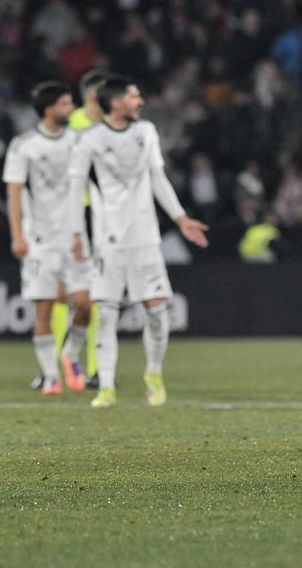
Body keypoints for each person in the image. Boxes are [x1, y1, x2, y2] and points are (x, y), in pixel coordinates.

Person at [68, 76, 210, 408]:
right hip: (108, 240)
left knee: (157, 312)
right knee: (106, 315)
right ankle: (105, 386)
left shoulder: (145, 132)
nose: (140, 101)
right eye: (134, 96)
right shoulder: (89, 139)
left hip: (145, 238)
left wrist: (180, 218)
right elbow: (76, 189)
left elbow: (157, 178)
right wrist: (76, 234)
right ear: (116, 102)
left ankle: (154, 374)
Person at [3, 82, 94, 396]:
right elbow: (14, 191)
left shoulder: (79, 141)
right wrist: (17, 236)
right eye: (66, 104)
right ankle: (51, 375)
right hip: (40, 239)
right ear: (48, 109)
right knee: (43, 309)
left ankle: (70, 354)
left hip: (74, 236)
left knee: (84, 305)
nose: (71, 109)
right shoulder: (24, 145)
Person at [48, 68, 109, 389]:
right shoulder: (71, 125)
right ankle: (53, 369)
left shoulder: (114, 127)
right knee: (61, 294)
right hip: (70, 215)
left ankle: (97, 370)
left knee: (99, 295)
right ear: (93, 96)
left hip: (102, 217)